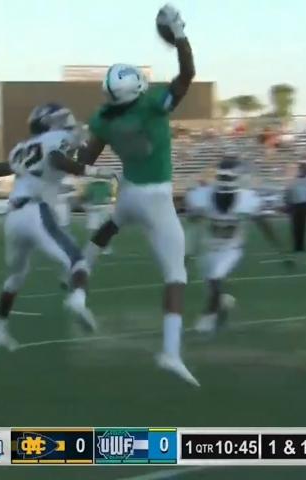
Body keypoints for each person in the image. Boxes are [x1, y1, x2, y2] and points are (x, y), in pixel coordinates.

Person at [76, 4, 199, 386]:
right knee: (176, 275)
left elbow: (86, 159)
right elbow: (187, 74)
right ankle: (170, 352)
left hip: (128, 193)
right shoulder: (150, 106)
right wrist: (179, 35)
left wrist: (76, 155)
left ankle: (80, 279)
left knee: (109, 227)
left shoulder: (104, 119)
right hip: (157, 198)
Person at [0, 103, 117, 351]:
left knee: (15, 277)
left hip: (13, 217)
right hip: (35, 211)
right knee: (78, 261)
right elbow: (56, 159)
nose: (66, 123)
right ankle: (77, 301)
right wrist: (97, 171)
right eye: (60, 119)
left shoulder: (21, 147)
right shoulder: (55, 139)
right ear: (47, 123)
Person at [186, 157, 291, 333]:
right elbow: (193, 223)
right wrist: (187, 251)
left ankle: (208, 318)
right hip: (208, 248)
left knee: (215, 279)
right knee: (212, 285)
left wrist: (281, 251)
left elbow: (265, 225)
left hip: (230, 248)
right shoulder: (202, 196)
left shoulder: (247, 199)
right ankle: (224, 303)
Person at [285, 162, 306, 253]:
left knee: (303, 226)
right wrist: (287, 204)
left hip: (305, 205)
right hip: (295, 205)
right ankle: (296, 246)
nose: (304, 170)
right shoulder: (293, 180)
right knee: (295, 226)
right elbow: (288, 192)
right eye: (302, 168)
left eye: (305, 169)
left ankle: (301, 246)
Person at [83, 178, 114, 255]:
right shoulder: (94, 185)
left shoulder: (106, 185)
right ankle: (96, 247)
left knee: (99, 229)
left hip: (101, 208)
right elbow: (87, 197)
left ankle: (105, 247)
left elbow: (109, 197)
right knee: (93, 229)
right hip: (96, 208)